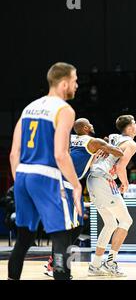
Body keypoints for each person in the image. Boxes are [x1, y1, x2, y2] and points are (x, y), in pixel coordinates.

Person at [8, 62, 82, 280]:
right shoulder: (64, 109)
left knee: (24, 238)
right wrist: (76, 185)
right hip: (47, 176)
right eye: (75, 80)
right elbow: (61, 154)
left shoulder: (29, 107)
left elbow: (14, 153)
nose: (77, 85)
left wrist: (21, 182)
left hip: (22, 175)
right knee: (63, 236)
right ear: (64, 82)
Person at [45, 118, 124, 277]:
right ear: (87, 127)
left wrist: (102, 146)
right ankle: (57, 268)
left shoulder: (72, 138)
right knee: (69, 229)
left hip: (64, 184)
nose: (93, 125)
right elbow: (119, 152)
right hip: (66, 186)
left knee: (76, 225)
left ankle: (54, 263)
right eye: (91, 124)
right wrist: (108, 144)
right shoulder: (93, 141)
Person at [87, 115, 136, 277]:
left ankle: (95, 265)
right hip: (103, 179)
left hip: (92, 178)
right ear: (129, 128)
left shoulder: (113, 137)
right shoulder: (131, 143)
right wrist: (125, 183)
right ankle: (110, 262)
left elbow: (105, 145)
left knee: (110, 223)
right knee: (126, 220)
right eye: (134, 123)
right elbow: (121, 167)